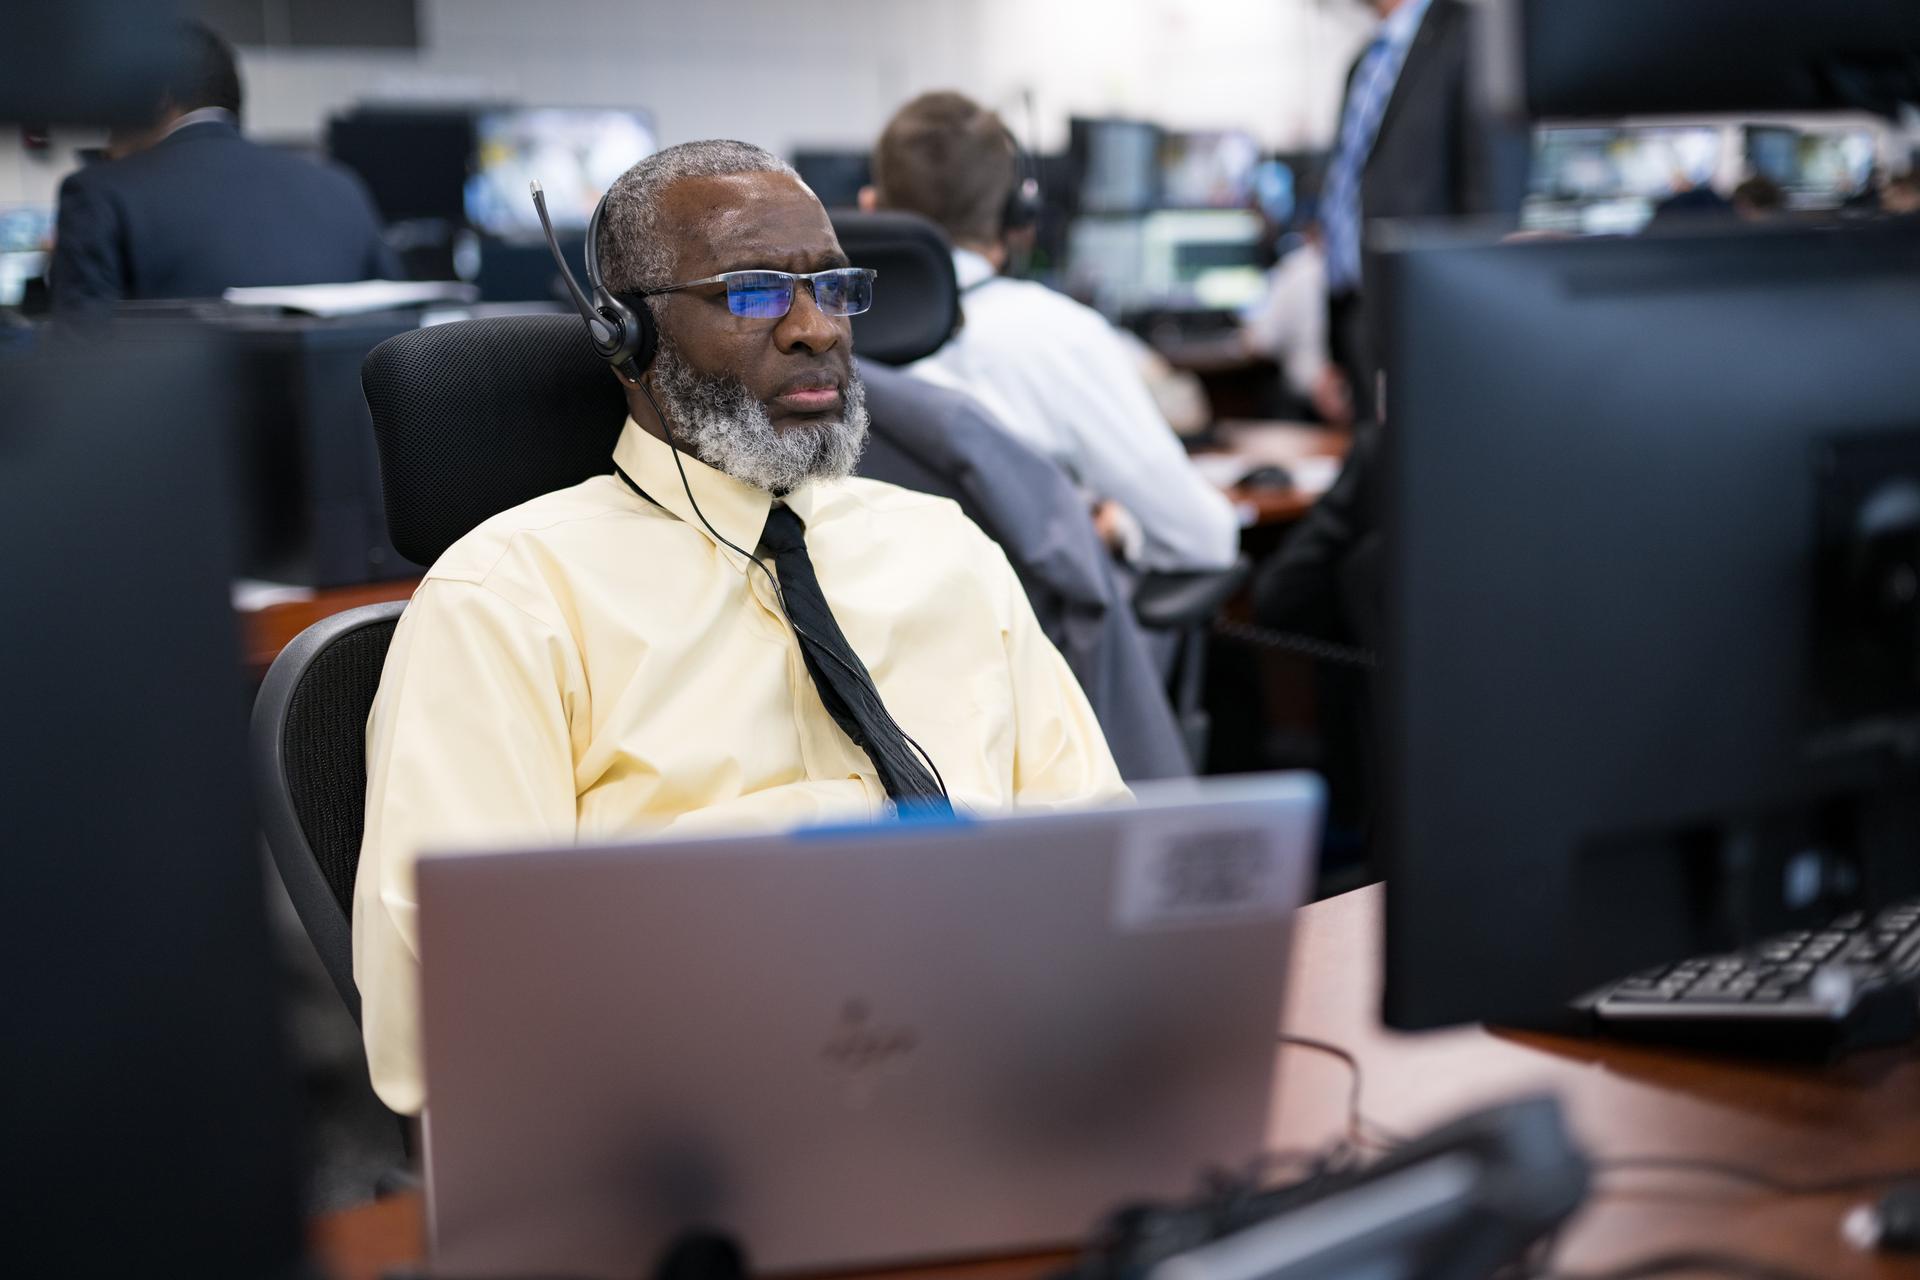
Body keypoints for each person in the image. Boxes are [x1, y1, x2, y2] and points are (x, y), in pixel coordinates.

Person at [354, 140, 1130, 1115]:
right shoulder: (511, 599)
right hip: (697, 1121)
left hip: (1004, 1077)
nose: (816, 330)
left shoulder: (946, 549)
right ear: (626, 333)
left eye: (835, 290)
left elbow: (1100, 852)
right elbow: (451, 1012)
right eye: (755, 293)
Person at [863, 92, 1239, 575]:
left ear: (871, 210)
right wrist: (1118, 531)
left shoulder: (819, 340)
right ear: (1017, 219)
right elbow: (1202, 539)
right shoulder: (1061, 338)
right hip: (1024, 645)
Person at [50, 21, 397, 314]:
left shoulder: (98, 193)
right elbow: (402, 333)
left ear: (158, 97)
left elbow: (79, 358)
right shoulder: (340, 186)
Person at [1320, 0, 1522, 420]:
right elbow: (1350, 185)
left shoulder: (1468, 33)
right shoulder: (1363, 62)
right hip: (1358, 311)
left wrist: (1475, 322)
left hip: (1428, 316)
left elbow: (1490, 193)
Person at [1239, 224, 1352, 428]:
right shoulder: (1361, 272)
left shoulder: (1297, 269)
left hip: (1306, 404)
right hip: (1355, 400)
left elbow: (1261, 342)